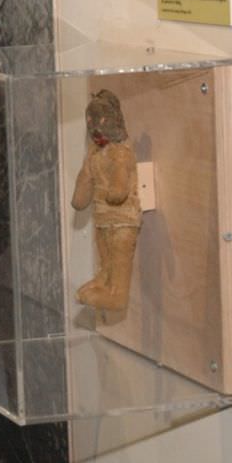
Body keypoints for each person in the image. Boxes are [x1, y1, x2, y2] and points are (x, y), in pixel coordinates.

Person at [71, 89, 141, 312]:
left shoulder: (120, 153)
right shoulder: (93, 154)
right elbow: (80, 198)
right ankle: (104, 282)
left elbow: (118, 192)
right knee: (105, 262)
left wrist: (114, 188)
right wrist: (84, 178)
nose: (95, 127)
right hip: (102, 220)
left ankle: (117, 296)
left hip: (123, 221)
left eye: (100, 120)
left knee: (119, 259)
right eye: (90, 121)